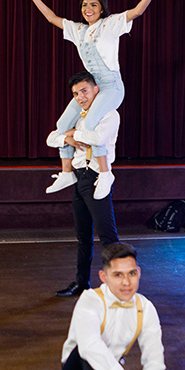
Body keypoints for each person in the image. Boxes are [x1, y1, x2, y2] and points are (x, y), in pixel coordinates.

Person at [15, 0, 177, 199]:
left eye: (93, 4)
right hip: (90, 87)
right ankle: (66, 172)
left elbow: (137, 11)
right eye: (84, 5)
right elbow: (52, 18)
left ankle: (105, 174)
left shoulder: (111, 24)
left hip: (111, 86)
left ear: (101, 8)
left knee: (90, 123)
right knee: (62, 124)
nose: (88, 9)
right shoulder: (78, 30)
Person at [52, 243, 180, 370]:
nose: (126, 282)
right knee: (89, 353)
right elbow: (89, 347)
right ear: (104, 277)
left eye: (131, 273)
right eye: (118, 275)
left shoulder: (145, 308)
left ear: (139, 273)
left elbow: (155, 360)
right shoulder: (90, 300)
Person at [47, 72, 120, 298]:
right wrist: (67, 137)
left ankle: (118, 287)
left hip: (96, 177)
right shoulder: (78, 117)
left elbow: (97, 138)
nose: (80, 97)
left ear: (96, 90)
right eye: (76, 94)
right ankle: (81, 283)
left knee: (108, 237)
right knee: (83, 237)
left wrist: (72, 134)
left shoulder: (109, 114)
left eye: (84, 91)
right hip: (79, 177)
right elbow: (51, 138)